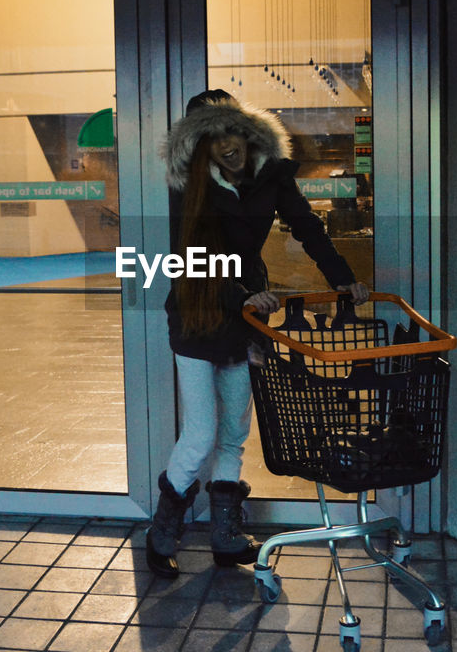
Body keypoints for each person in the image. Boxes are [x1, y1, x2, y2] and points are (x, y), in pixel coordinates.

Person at [146, 89, 369, 579]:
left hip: (247, 313)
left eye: (232, 130)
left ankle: (226, 536)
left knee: (233, 433)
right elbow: (190, 261)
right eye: (212, 136)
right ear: (199, 145)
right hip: (198, 310)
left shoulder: (271, 174)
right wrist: (240, 296)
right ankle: (163, 530)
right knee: (201, 433)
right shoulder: (189, 185)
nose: (228, 144)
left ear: (247, 130)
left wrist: (341, 279)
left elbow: (307, 227)